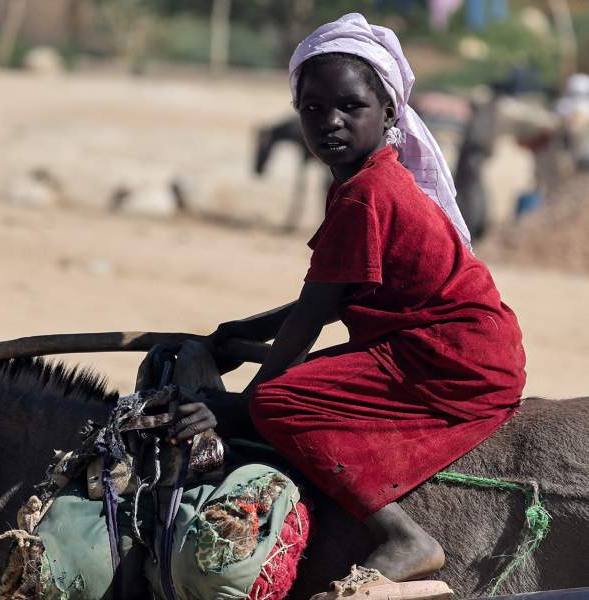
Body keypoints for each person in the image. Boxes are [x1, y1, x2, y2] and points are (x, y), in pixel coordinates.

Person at [166, 13, 526, 600]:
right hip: (440, 343)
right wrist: (231, 334)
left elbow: (312, 315)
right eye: (312, 109)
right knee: (298, 377)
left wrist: (239, 409)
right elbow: (332, 294)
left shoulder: (367, 192)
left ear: (388, 113)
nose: (328, 123)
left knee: (282, 402)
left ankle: (404, 537)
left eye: (348, 107)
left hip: (452, 355)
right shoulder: (365, 181)